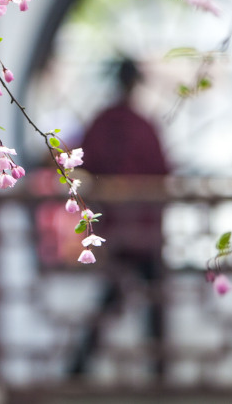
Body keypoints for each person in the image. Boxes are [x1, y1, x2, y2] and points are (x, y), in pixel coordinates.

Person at [68, 57, 170, 379]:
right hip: (143, 229)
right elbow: (162, 172)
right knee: (150, 300)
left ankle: (79, 368)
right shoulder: (143, 125)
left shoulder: (103, 123)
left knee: (111, 298)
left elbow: (85, 165)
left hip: (114, 228)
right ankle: (158, 373)